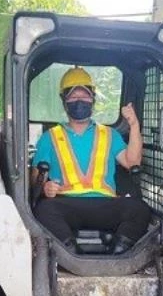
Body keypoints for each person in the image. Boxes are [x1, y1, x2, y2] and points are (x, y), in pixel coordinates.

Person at [31, 66, 151, 254]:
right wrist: (44, 187)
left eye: (85, 96)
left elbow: (132, 162)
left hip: (105, 205)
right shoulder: (50, 137)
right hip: (66, 204)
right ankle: (71, 253)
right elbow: (34, 180)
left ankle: (118, 253)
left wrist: (134, 125)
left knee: (140, 209)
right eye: (73, 97)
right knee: (43, 210)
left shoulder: (109, 134)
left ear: (93, 99)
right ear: (64, 100)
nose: (80, 101)